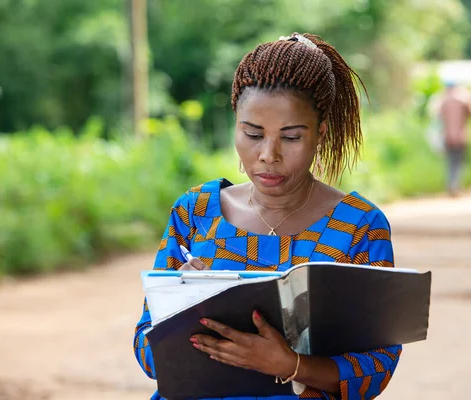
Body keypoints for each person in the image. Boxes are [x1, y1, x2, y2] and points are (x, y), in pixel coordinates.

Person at [134, 32, 402, 400]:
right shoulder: (194, 211)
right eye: (252, 134)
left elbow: (377, 367)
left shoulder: (359, 227)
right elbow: (146, 350)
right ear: (236, 128)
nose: (268, 155)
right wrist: (178, 315)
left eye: (290, 137)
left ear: (320, 134)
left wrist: (289, 365)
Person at [435, 79, 471, 197]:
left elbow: (438, 118)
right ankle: (455, 185)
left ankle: (451, 185)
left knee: (450, 162)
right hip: (461, 137)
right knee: (459, 162)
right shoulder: (463, 100)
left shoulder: (442, 101)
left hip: (447, 137)